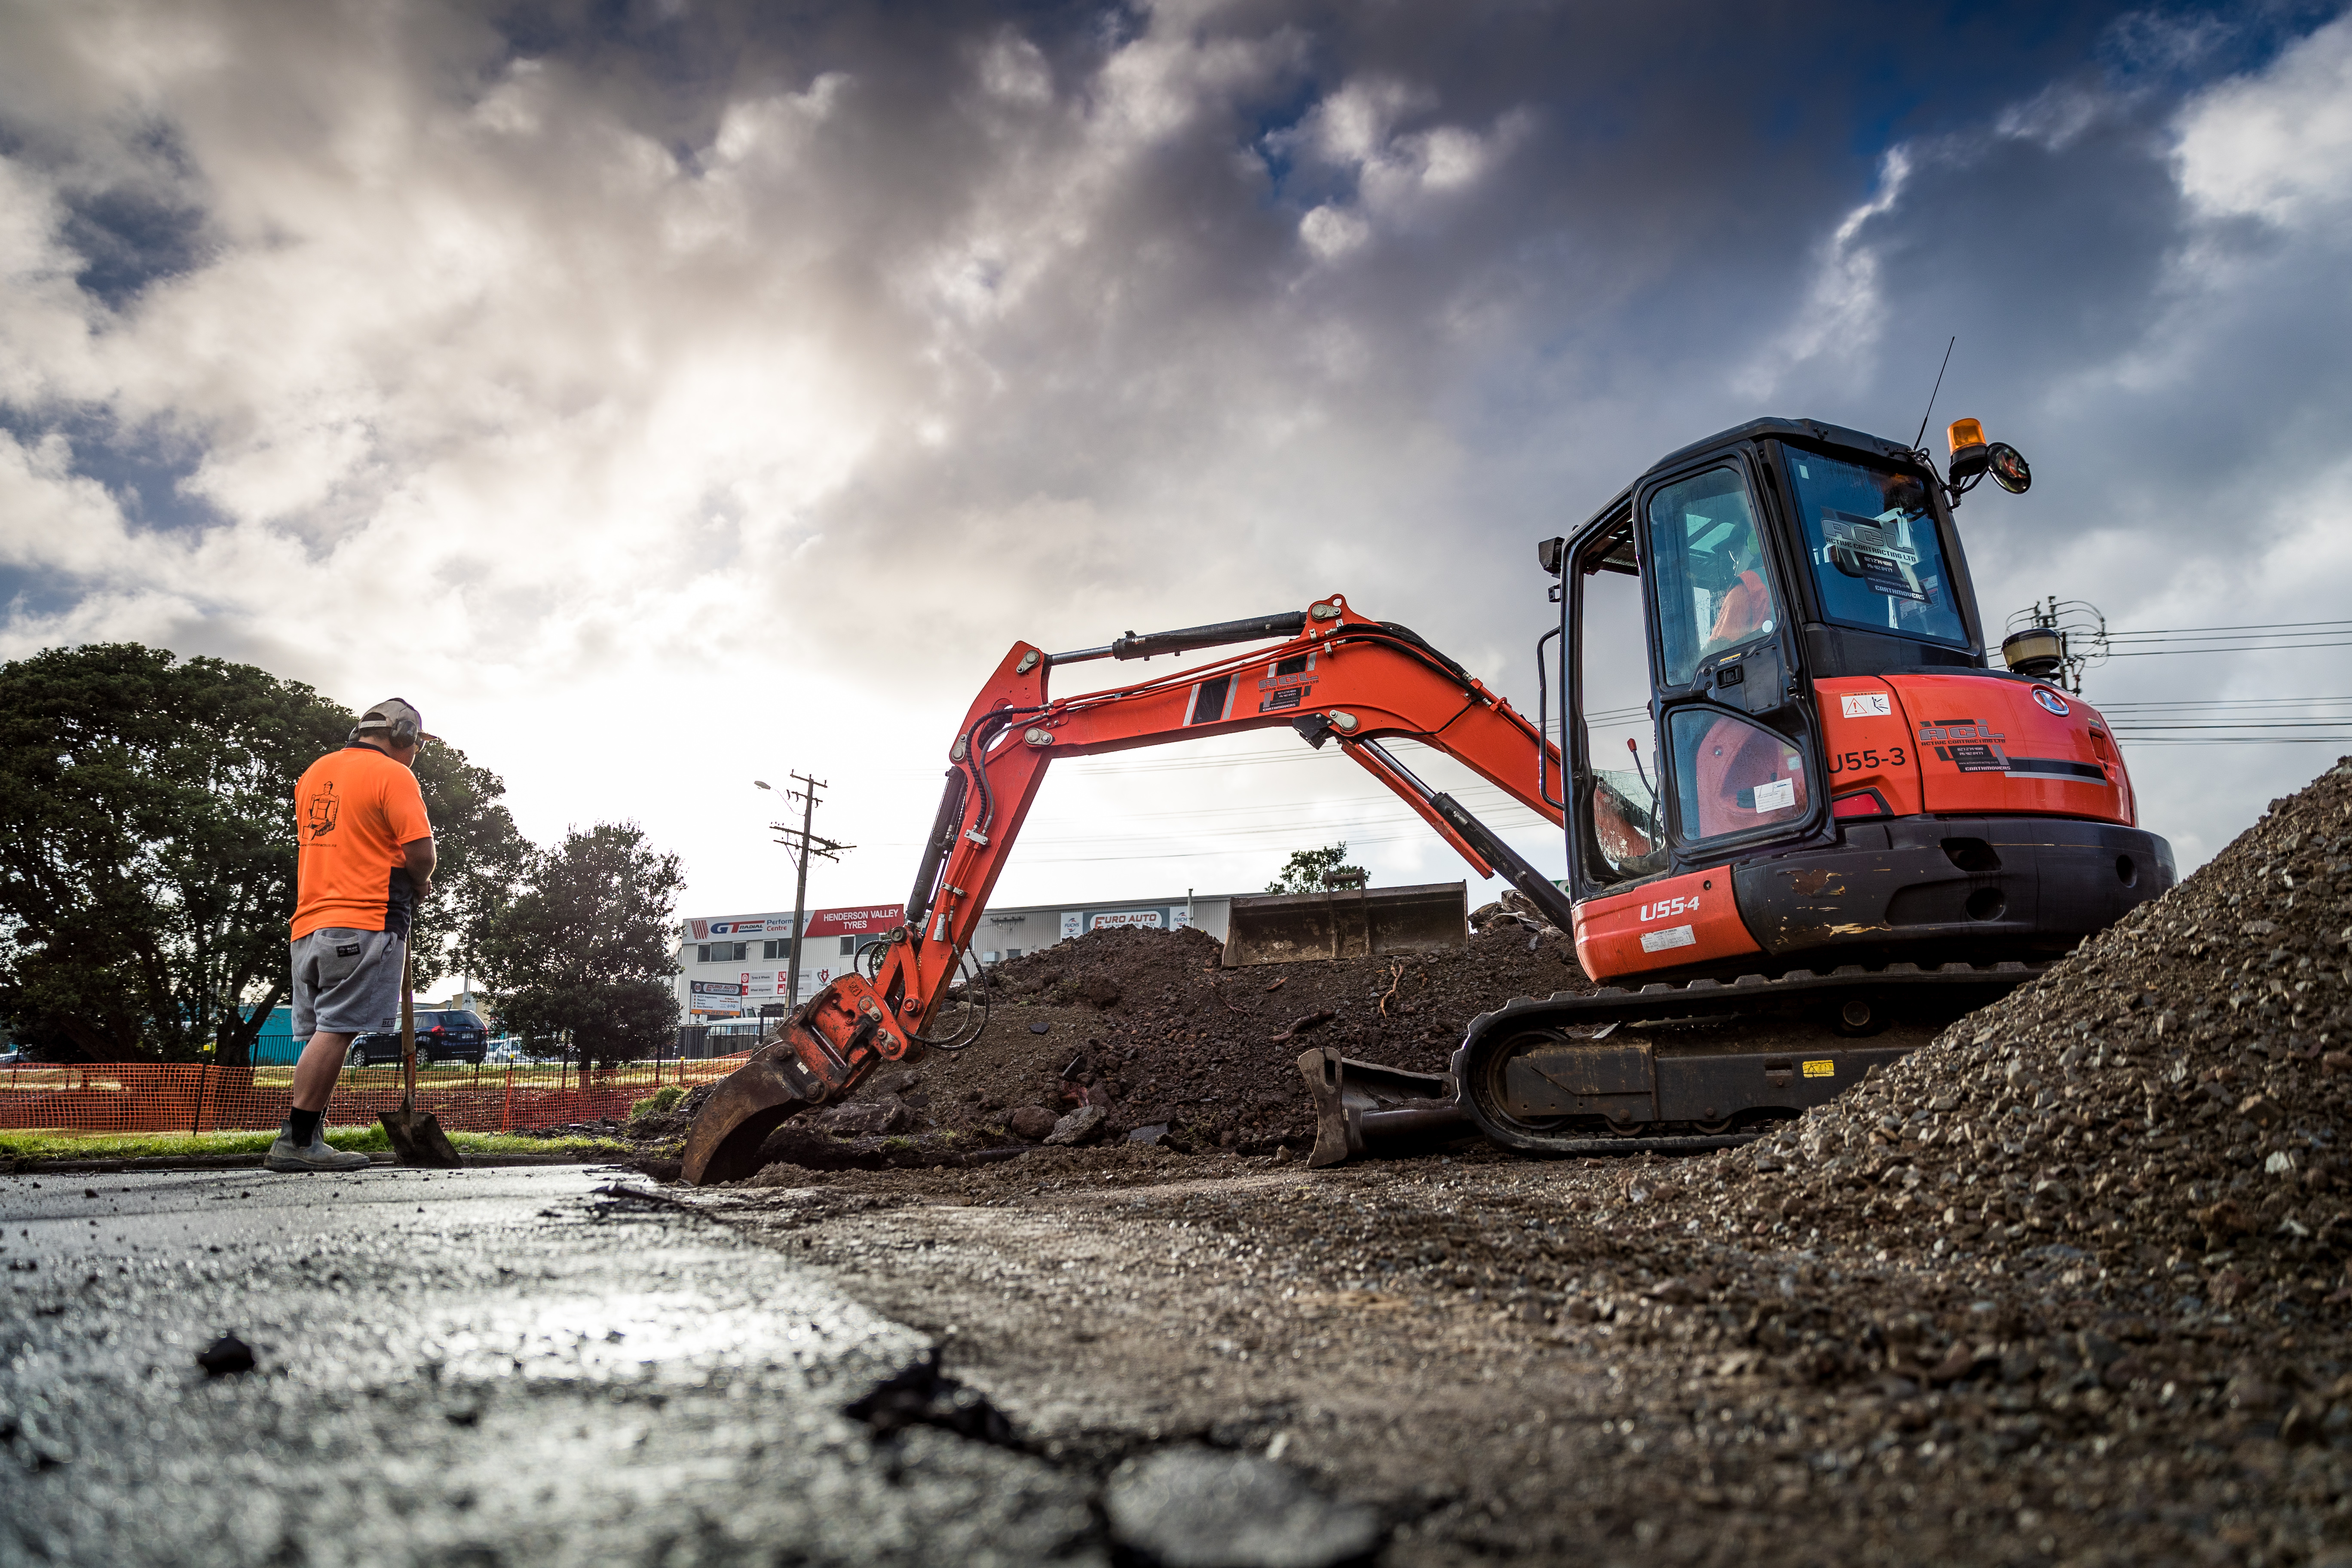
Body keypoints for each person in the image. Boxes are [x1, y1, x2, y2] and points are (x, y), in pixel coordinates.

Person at [268, 698, 439, 1173]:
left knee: (322, 1032)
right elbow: (421, 853)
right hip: (364, 916)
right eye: (416, 745)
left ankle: (309, 1137)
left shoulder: (314, 774)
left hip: (309, 925)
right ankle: (297, 1141)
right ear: (401, 734)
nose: (415, 754)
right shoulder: (394, 776)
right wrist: (421, 879)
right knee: (339, 1030)